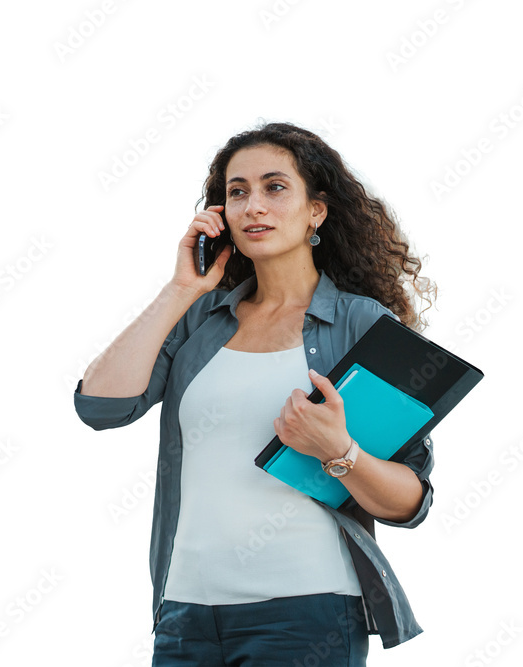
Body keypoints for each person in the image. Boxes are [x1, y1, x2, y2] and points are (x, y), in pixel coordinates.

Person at [73, 121, 438, 666]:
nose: (252, 207)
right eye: (236, 192)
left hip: (306, 613)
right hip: (184, 615)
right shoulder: (200, 318)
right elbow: (100, 406)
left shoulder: (361, 325)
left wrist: (339, 451)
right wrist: (181, 289)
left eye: (274, 187)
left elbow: (410, 501)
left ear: (316, 210)